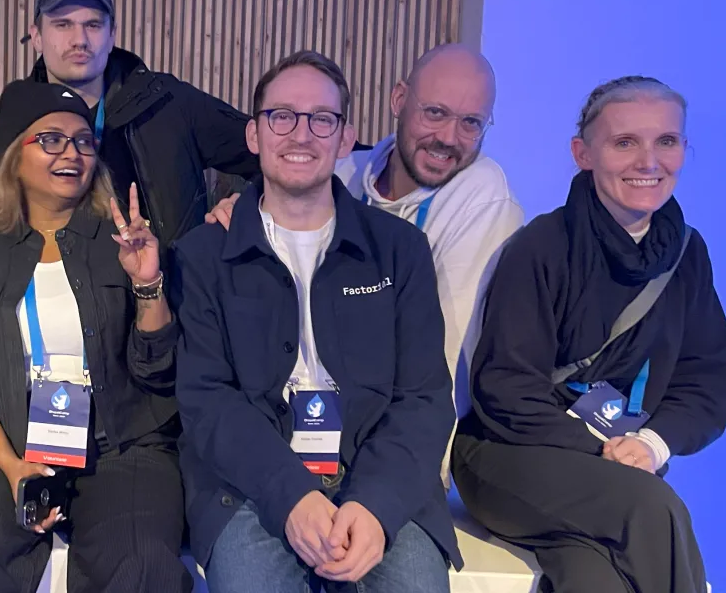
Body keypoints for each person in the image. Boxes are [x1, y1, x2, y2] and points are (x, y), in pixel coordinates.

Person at [172, 50, 461, 593]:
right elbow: (207, 400)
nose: (300, 134)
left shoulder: (400, 251)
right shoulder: (203, 254)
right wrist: (292, 495)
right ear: (254, 136)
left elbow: (424, 398)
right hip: (250, 486)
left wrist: (375, 506)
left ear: (346, 137)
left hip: (378, 481)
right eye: (281, 116)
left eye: (321, 119)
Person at [0, 80, 191, 592]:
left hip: (122, 446)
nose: (72, 153)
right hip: (4, 447)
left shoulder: (127, 242)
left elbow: (158, 370)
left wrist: (147, 284)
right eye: (51, 139)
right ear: (14, 156)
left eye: (83, 141)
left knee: (145, 566)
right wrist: (14, 467)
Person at [452, 76, 726, 593]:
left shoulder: (688, 254)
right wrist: (604, 448)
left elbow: (707, 381)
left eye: (667, 141)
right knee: (651, 506)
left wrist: (651, 443)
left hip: (612, 471)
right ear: (583, 153)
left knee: (594, 578)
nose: (648, 162)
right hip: (506, 458)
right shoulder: (538, 247)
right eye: (625, 142)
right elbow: (504, 389)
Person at [208, 43, 523, 485]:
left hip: (390, 451)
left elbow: (442, 360)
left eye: (471, 122)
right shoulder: (345, 173)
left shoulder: (485, 198)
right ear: (398, 100)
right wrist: (245, 215)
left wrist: (410, 477)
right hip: (300, 435)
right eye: (434, 112)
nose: (449, 137)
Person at [0, 0, 259, 256]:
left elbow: (274, 153)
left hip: (169, 296)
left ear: (112, 36)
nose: (79, 40)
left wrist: (246, 205)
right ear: (36, 36)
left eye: (93, 25)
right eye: (62, 24)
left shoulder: (170, 104)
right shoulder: (0, 138)